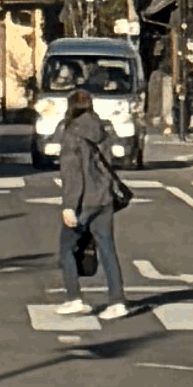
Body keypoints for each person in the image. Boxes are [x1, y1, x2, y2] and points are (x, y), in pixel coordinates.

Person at [52, 85, 133, 316]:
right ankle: (117, 301)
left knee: (66, 248)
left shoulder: (71, 134)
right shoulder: (102, 128)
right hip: (104, 198)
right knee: (107, 249)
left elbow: (72, 174)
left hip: (83, 202)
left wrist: (69, 206)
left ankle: (74, 297)